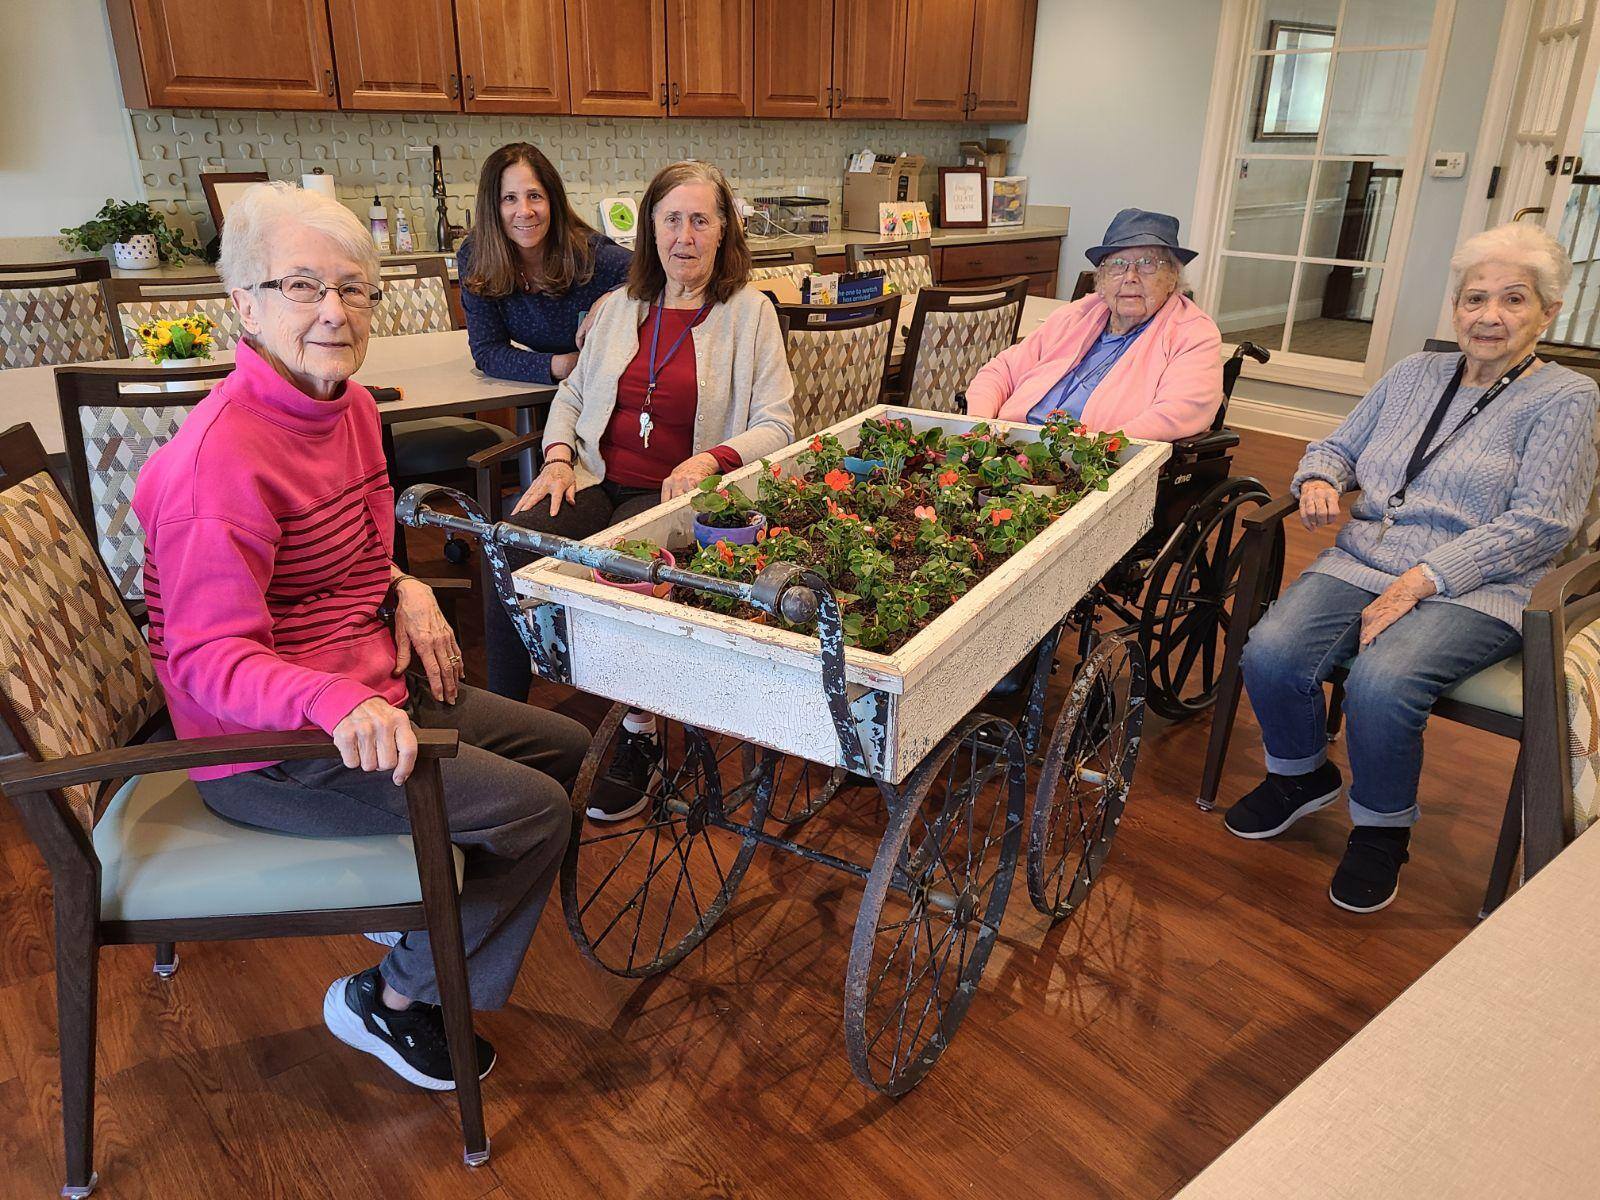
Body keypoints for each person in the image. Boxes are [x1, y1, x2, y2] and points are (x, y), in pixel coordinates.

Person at [130, 182, 589, 1090]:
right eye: (303, 287)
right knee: (536, 814)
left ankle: (419, 908)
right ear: (245, 305)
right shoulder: (215, 465)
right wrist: (333, 695)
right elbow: (207, 657)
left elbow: (339, 559)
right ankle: (394, 996)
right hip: (273, 746)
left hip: (365, 685)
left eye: (354, 288)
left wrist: (406, 583)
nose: (335, 313)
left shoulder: (347, 407)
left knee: (569, 746)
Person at [1226, 222, 1598, 913]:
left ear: (1548, 312)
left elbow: (1543, 524)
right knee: (1270, 652)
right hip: (1367, 558)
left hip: (1483, 584)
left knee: (1382, 681)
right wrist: (1318, 476)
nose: (1489, 316)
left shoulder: (1566, 400)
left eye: (1513, 300)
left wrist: (1424, 579)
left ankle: (1381, 828)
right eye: (1474, 298)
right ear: (1455, 307)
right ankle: (1301, 774)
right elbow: (1337, 445)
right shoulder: (1413, 375)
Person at [482, 160, 795, 820]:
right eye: (671, 219)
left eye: (700, 220)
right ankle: (504, 729)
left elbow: (779, 423)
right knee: (507, 542)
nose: (685, 235)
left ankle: (641, 738)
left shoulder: (749, 313)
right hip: (597, 474)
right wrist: (560, 457)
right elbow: (569, 394)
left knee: (629, 572)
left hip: (681, 493)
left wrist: (713, 460)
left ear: (723, 231)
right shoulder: (621, 307)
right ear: (649, 231)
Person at [964, 208, 1223, 440]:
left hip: (1095, 466)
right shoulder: (1078, 314)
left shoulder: (1193, 332)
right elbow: (1000, 372)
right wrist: (981, 427)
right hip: (1011, 445)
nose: (1130, 277)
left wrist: (1098, 450)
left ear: (1172, 277)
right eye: (1118, 265)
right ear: (1101, 278)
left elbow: (1178, 412)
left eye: (1148, 264)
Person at [458, 142, 632, 383]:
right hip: (550, 382)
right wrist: (562, 365)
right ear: (492, 208)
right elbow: (487, 352)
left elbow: (656, 274)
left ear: (552, 201)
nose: (525, 210)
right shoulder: (476, 255)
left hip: (604, 387)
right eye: (509, 198)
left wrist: (613, 295)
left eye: (534, 196)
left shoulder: (593, 255)